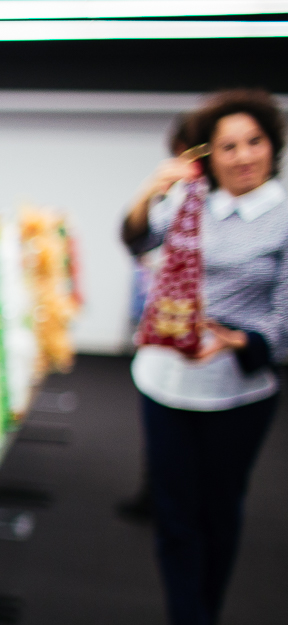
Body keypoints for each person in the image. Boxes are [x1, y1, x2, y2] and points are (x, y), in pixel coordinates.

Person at [121, 90, 288, 625]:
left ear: (272, 146)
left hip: (236, 392)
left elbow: (284, 315)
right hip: (164, 379)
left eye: (254, 142)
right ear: (208, 156)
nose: (243, 156)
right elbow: (138, 240)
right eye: (228, 146)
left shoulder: (282, 216)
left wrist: (239, 340)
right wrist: (151, 188)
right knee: (173, 513)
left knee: (219, 512)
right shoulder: (191, 201)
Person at [117, 112, 194, 525]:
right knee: (161, 411)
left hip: (210, 337)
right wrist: (152, 188)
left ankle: (180, 500)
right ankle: (154, 494)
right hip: (163, 325)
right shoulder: (172, 194)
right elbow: (135, 239)